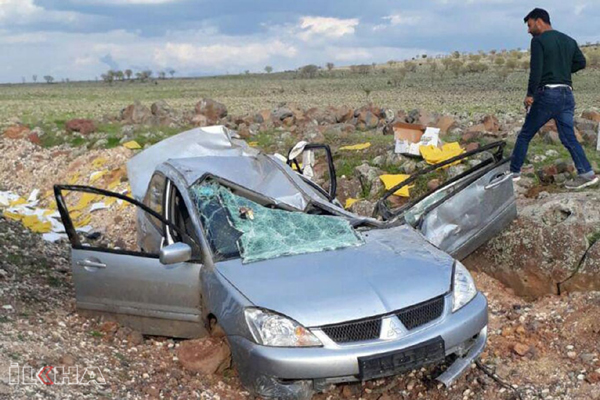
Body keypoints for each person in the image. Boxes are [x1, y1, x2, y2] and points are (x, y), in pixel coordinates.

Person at [510, 8, 598, 189]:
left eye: (529, 25)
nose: (528, 30)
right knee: (568, 138)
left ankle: (513, 173)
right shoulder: (569, 40)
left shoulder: (538, 41)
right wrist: (562, 71)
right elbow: (581, 62)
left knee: (525, 134)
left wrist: (530, 94)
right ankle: (587, 173)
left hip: (548, 95)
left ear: (539, 21)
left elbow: (536, 71)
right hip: (567, 94)